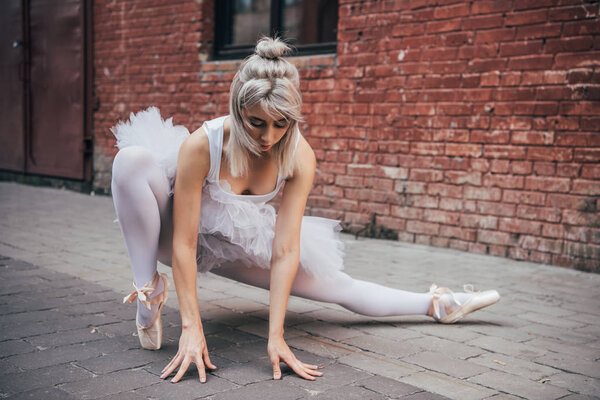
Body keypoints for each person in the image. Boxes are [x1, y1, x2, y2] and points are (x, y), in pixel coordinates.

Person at [110, 37, 500, 384]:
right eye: (256, 123)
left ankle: (436, 304)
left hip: (234, 242)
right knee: (131, 161)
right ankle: (148, 292)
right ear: (237, 108)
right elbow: (184, 242)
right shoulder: (203, 144)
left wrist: (275, 334)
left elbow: (285, 251)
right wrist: (191, 327)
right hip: (172, 232)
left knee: (337, 287)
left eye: (281, 124)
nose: (268, 138)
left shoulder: (299, 156)